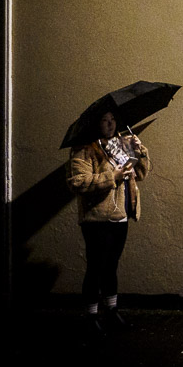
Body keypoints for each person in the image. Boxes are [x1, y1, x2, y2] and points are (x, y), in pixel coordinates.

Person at [65, 110, 150, 335]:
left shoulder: (121, 145)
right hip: (96, 218)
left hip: (120, 214)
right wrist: (111, 177)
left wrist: (140, 152)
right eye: (105, 120)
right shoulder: (84, 149)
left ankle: (111, 311)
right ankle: (91, 315)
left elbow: (140, 174)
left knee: (112, 264)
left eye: (113, 120)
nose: (110, 124)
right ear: (97, 123)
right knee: (96, 266)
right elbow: (78, 182)